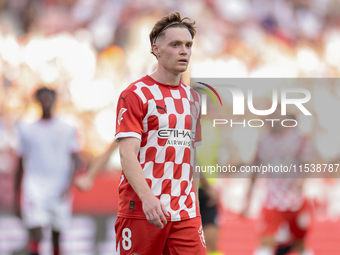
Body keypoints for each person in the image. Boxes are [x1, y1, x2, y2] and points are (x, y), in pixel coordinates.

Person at [114, 12, 206, 254]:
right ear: (156, 49)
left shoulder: (193, 98)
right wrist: (148, 198)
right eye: (175, 45)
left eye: (188, 45)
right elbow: (127, 154)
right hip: (142, 210)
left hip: (185, 214)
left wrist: (194, 205)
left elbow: (191, 157)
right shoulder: (136, 94)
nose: (184, 51)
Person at [14, 87, 81, 255]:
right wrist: (17, 194)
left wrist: (68, 185)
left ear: (54, 100)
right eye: (42, 98)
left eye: (48, 98)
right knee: (35, 232)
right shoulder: (26, 129)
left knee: (56, 235)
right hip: (34, 188)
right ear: (37, 101)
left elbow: (76, 159)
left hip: (59, 188)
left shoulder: (67, 129)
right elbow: (20, 163)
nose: (46, 101)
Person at [244, 107, 314, 255]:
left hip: (295, 201)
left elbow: (307, 163)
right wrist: (247, 200)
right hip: (272, 201)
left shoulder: (298, 138)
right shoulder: (263, 141)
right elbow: (255, 170)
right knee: (266, 242)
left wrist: (302, 180)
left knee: (300, 244)